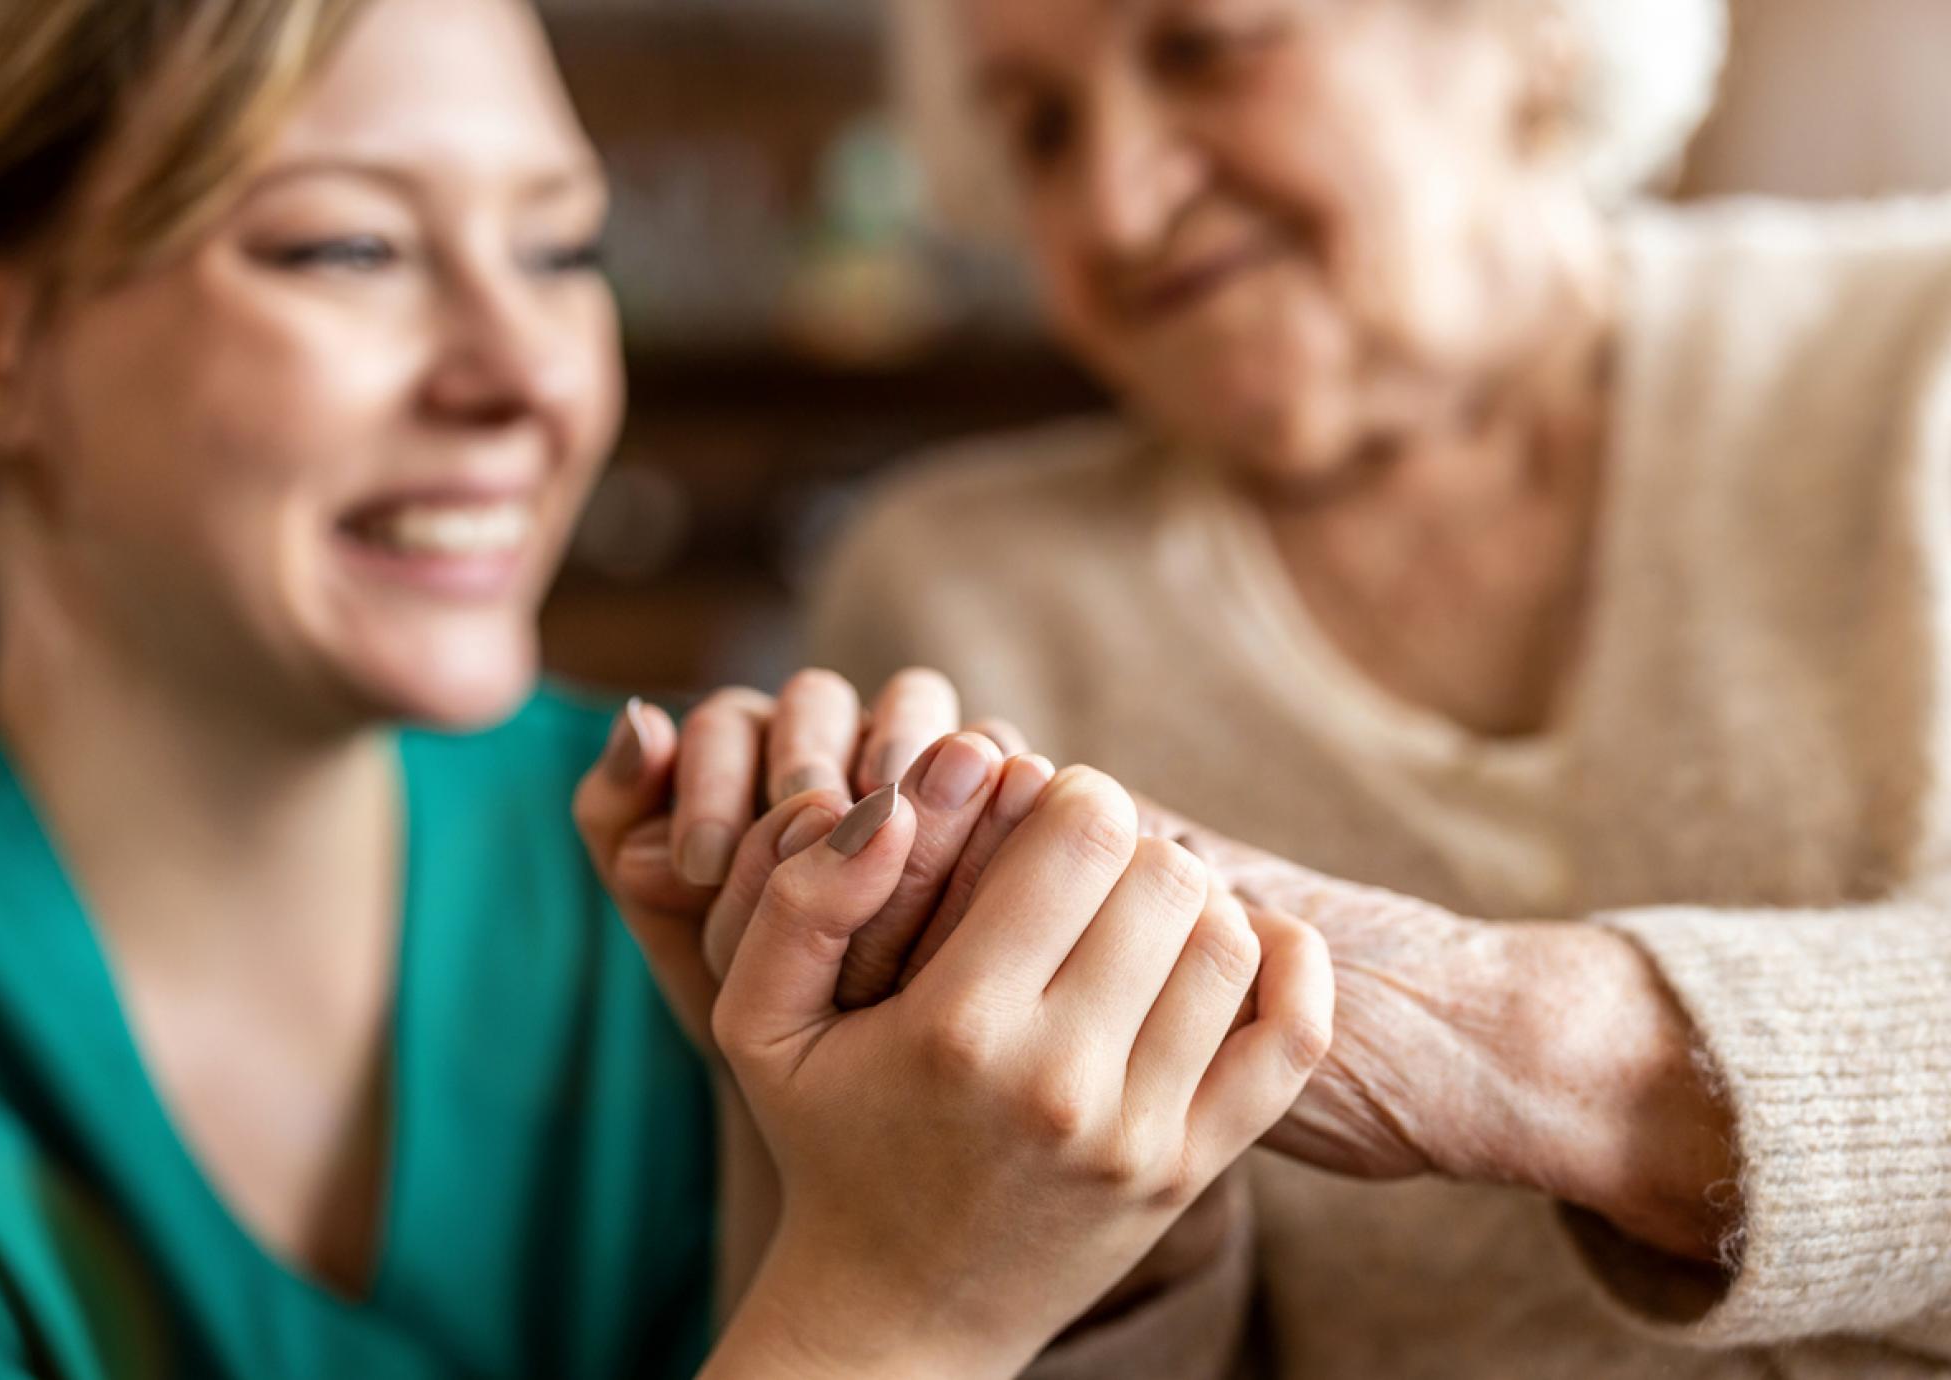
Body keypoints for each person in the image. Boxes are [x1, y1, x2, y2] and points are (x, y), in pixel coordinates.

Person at [0, 0, 1336, 1375]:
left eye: (564, 249)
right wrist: (904, 1310)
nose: (528, 373)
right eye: (351, 246)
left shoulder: (712, 888)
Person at [805, 0, 1951, 1374]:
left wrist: (1506, 1039)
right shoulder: (964, 600)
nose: (1113, 205)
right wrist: (1086, 1225)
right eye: (1040, 129)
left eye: (1206, 48)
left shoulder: (1919, 354)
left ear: (1529, 33)